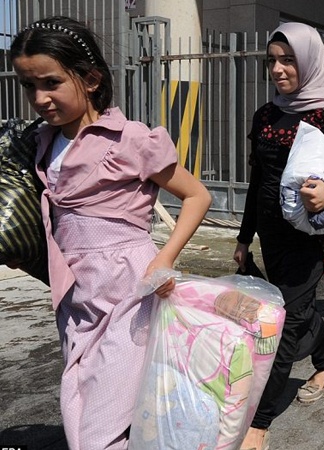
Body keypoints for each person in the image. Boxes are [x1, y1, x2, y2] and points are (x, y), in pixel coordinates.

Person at [10, 16, 211, 449]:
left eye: (51, 83)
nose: (40, 98)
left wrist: (164, 258)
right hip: (76, 298)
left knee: (104, 422)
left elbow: (197, 196)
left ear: (92, 79)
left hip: (130, 292)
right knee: (79, 399)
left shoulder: (131, 139)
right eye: (29, 86)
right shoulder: (41, 142)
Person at [232, 22, 324, 450]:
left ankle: (259, 424)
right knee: (297, 308)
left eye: (288, 60)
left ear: (309, 62)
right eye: (271, 61)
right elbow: (258, 184)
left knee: (281, 326)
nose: (277, 69)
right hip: (272, 237)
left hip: (307, 240)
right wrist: (243, 238)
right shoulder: (267, 113)